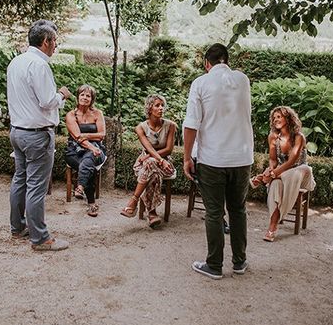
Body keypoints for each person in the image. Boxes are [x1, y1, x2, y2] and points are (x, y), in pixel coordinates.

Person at [183, 43, 254, 279]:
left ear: (206, 63)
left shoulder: (201, 83)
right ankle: (240, 262)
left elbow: (191, 124)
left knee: (214, 212)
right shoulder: (243, 80)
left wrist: (186, 158)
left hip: (212, 158)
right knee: (238, 210)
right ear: (227, 61)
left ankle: (214, 265)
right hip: (242, 158)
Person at [7, 19, 72, 251]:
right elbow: (46, 101)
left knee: (20, 180)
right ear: (46, 41)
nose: (56, 46)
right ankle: (41, 238)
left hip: (17, 132)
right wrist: (62, 95)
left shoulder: (16, 62)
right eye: (55, 41)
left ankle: (18, 227)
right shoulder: (40, 65)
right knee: (36, 186)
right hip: (37, 135)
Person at [251, 106, 316, 242]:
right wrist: (271, 170)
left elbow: (292, 161)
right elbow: (273, 160)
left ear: (288, 118)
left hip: (301, 174)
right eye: (274, 118)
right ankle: (272, 226)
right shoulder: (273, 137)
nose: (276, 120)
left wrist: (271, 174)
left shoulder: (299, 137)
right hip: (281, 174)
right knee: (275, 184)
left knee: (295, 173)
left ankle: (263, 179)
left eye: (279, 117)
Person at [120, 94, 177, 228]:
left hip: (165, 164)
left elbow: (168, 150)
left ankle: (133, 202)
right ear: (149, 108)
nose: (161, 108)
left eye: (162, 105)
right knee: (152, 170)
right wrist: (156, 158)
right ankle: (152, 213)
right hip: (146, 164)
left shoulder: (170, 126)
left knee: (150, 161)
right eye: (157, 105)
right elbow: (148, 147)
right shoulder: (140, 128)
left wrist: (155, 158)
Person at [64, 84, 107, 217]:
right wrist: (92, 147)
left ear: (92, 99)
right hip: (74, 151)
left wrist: (87, 137)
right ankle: (91, 203)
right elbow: (77, 137)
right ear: (77, 97)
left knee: (88, 161)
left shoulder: (97, 113)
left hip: (97, 150)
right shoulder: (71, 115)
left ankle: (80, 187)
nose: (85, 97)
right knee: (89, 166)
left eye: (88, 95)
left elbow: (102, 134)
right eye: (82, 94)